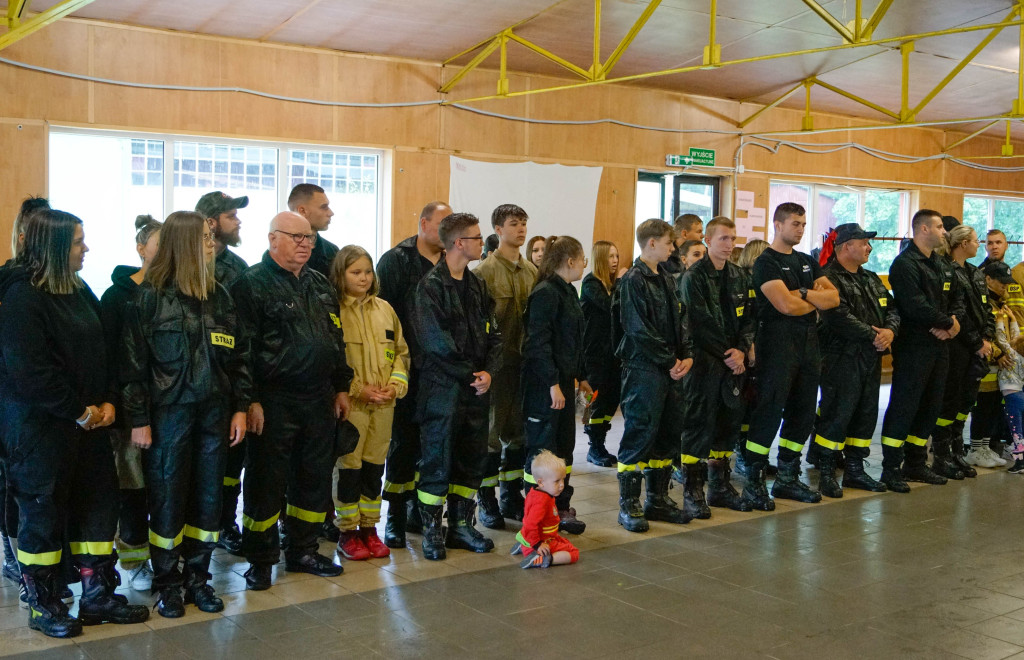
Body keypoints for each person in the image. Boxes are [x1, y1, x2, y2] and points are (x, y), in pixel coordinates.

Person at [0, 209, 149, 638]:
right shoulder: (22, 298)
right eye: (79, 242)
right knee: (42, 519)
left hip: (91, 428)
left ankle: (97, 595)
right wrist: (79, 411)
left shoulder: (79, 289)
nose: (87, 249)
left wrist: (107, 402)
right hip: (39, 433)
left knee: (98, 511)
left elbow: (103, 349)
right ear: (55, 247)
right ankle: (44, 604)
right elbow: (30, 371)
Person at [121, 211, 251, 617]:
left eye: (212, 236)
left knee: (209, 500)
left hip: (214, 413)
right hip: (168, 416)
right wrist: (138, 418)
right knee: (167, 500)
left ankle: (198, 578)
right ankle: (168, 585)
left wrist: (241, 409)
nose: (212, 244)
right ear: (184, 244)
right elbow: (132, 367)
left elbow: (239, 359)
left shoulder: (221, 296)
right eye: (206, 237)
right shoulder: (150, 296)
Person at [231, 212, 353, 590]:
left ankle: (303, 549)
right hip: (273, 400)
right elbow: (241, 351)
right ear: (273, 239)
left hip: (318, 398)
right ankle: (261, 559)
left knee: (312, 479)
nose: (306, 244)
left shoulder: (319, 284)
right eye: (297, 237)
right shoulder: (250, 284)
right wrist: (249, 400)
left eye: (309, 237)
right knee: (266, 482)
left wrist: (341, 386)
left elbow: (336, 341)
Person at [411, 212, 502, 560]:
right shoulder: (430, 287)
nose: (483, 243)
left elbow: (495, 334)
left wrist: (489, 373)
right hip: (443, 389)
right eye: (477, 238)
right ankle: (432, 533)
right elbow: (436, 344)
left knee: (471, 459)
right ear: (459, 243)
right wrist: (471, 375)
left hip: (477, 388)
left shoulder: (478, 285)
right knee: (438, 460)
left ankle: (462, 527)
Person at [742, 203, 838, 509]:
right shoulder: (765, 263)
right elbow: (785, 306)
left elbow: (833, 298)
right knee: (769, 412)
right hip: (777, 348)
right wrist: (811, 298)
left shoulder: (807, 261)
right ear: (778, 224)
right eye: (795, 223)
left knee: (803, 413)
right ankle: (754, 481)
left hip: (809, 347)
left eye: (803, 224)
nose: (800, 229)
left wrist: (804, 294)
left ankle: (786, 477)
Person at [377, 201, 450, 549]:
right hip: (407, 369)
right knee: (402, 444)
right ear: (424, 223)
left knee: (432, 445)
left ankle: (422, 513)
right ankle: (394, 517)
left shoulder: (453, 261)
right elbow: (383, 318)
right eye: (443, 224)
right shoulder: (397, 261)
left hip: (440, 372)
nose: (449, 233)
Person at [329, 246, 409, 561]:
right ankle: (347, 532)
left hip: (384, 405)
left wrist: (395, 385)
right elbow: (332, 360)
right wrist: (359, 389)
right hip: (352, 404)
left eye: (367, 271)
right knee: (349, 468)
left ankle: (369, 529)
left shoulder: (385, 309)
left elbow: (401, 352)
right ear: (340, 275)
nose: (363, 278)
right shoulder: (333, 310)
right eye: (355, 272)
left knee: (374, 468)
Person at [614, 218, 693, 533]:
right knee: (640, 434)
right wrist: (669, 359)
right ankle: (629, 505)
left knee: (667, 435)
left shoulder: (667, 278)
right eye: (668, 243)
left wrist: (685, 355)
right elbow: (637, 329)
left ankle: (657, 500)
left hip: (670, 368)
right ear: (651, 243)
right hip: (644, 369)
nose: (673, 248)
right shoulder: (634, 279)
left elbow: (682, 319)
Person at [878, 209, 964, 492]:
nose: (944, 232)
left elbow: (957, 299)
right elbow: (913, 305)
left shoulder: (942, 264)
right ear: (923, 229)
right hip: (915, 345)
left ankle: (916, 463)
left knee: (931, 405)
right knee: (905, 404)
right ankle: (891, 467)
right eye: (940, 227)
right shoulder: (905, 264)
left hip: (940, 345)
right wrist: (946, 322)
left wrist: (953, 324)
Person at [812, 224, 898, 498]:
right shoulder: (827, 279)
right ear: (846, 246)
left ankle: (855, 470)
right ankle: (826, 471)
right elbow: (836, 316)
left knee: (865, 413)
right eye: (863, 242)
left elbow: (893, 308)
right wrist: (874, 335)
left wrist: (890, 331)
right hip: (841, 358)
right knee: (837, 413)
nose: (869, 247)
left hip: (870, 358)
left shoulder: (871, 278)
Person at [99, 214, 162, 591]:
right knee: (132, 487)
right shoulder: (117, 297)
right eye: (158, 243)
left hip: (168, 409)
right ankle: (135, 560)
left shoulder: (175, 292)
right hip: (128, 414)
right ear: (141, 249)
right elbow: (109, 358)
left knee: (163, 486)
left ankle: (167, 555)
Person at [677, 217, 755, 516]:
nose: (729, 244)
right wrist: (729, 353)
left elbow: (750, 317)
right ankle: (693, 491)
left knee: (728, 424)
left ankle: (720, 487)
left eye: (733, 238)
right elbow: (699, 323)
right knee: (699, 425)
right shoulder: (693, 277)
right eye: (723, 238)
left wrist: (742, 348)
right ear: (708, 240)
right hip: (705, 363)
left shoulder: (738, 275)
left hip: (733, 363)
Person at [521, 236, 592, 535]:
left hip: (562, 382)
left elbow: (573, 343)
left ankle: (560, 505)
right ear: (571, 261)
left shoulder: (567, 292)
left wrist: (582, 376)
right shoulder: (546, 293)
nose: (585, 264)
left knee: (564, 447)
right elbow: (537, 343)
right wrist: (552, 383)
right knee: (542, 449)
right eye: (582, 259)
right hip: (544, 386)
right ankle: (536, 513)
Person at [472, 204, 536, 528]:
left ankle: (512, 496)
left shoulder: (532, 272)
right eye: (514, 223)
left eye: (524, 223)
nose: (521, 229)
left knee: (518, 434)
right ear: (498, 229)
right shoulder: (483, 273)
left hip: (523, 370)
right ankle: (486, 500)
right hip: (495, 370)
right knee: (490, 437)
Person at [1, 196, 51, 587]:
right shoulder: (11, 287)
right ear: (22, 235)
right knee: (12, 489)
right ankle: (14, 557)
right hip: (13, 407)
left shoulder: (58, 288)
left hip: (44, 411)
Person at [197, 191, 250, 553]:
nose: (239, 222)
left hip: (231, 381)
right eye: (232, 216)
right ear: (212, 223)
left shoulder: (239, 267)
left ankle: (225, 523)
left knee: (233, 461)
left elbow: (246, 333)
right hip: (193, 385)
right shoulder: (185, 263)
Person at [931, 223, 994, 480]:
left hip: (977, 346)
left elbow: (985, 308)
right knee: (950, 400)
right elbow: (959, 313)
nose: (979, 245)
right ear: (962, 243)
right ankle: (942, 455)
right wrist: (976, 342)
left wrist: (987, 337)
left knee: (965, 402)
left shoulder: (975, 273)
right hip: (957, 345)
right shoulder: (948, 271)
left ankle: (957, 451)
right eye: (976, 240)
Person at [970, 261, 1019, 467]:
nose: (1005, 286)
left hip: (1000, 366)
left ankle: (985, 447)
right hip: (986, 363)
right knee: (982, 406)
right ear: (988, 280)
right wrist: (998, 354)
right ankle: (975, 448)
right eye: (1001, 282)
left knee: (992, 408)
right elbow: (987, 333)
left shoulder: (1001, 304)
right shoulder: (985, 303)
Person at [581, 240, 625, 468]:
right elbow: (609, 306)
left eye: (617, 256)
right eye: (610, 256)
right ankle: (594, 446)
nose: (615, 261)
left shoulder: (611, 284)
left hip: (613, 354)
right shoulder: (591, 283)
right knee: (596, 401)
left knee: (611, 400)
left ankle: (601, 442)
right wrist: (620, 283)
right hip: (594, 355)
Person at [515, 451, 580, 569]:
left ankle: (524, 544)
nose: (561, 485)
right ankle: (543, 558)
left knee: (565, 542)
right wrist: (537, 544)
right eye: (557, 481)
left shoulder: (537, 492)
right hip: (541, 542)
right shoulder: (542, 501)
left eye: (563, 480)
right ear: (541, 482)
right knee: (574, 553)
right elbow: (530, 524)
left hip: (537, 538)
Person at [289, 183, 338, 280]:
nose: (331, 213)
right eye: (324, 207)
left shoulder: (332, 252)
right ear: (302, 211)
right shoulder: (281, 251)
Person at [997, 317, 1024, 474]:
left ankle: (1019, 463)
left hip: (1012, 399)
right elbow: (1017, 337)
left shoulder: (1012, 356)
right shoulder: (1021, 357)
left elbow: (1002, 339)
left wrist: (1000, 322)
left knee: (1016, 432)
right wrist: (1013, 319)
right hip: (1020, 395)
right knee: (1022, 430)